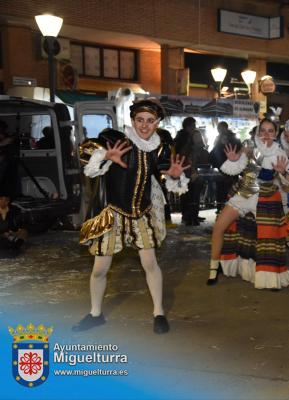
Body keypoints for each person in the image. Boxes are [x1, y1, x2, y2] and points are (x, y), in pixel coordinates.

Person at [74, 99, 189, 334]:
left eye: (149, 121)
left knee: (150, 263)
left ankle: (158, 312)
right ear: (132, 120)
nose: (144, 126)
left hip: (141, 213)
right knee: (99, 269)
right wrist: (106, 156)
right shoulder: (115, 140)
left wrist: (175, 176)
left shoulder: (160, 147)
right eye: (139, 120)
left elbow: (166, 175)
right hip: (112, 213)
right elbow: (88, 162)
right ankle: (96, 313)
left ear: (157, 123)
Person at [206, 118, 289, 289]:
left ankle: (269, 278)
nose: (266, 135)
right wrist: (234, 159)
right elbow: (235, 169)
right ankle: (214, 268)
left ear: (276, 134)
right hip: (243, 194)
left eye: (270, 131)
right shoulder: (249, 146)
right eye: (262, 130)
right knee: (219, 227)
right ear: (258, 132)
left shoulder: (279, 153)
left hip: (264, 199)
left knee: (267, 241)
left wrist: (283, 173)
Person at [175, 117, 204, 225]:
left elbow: (199, 148)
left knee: (194, 193)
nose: (194, 128)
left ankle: (193, 215)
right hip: (184, 168)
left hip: (191, 167)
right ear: (188, 126)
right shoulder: (182, 137)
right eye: (193, 126)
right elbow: (181, 152)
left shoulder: (190, 136)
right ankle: (187, 216)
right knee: (187, 193)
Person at [210, 121, 242, 212]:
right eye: (219, 129)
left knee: (231, 188)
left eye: (221, 128)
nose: (220, 131)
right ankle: (221, 207)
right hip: (221, 168)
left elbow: (239, 152)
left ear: (226, 128)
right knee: (221, 189)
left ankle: (231, 208)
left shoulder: (233, 138)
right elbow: (214, 152)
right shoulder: (218, 138)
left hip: (232, 167)